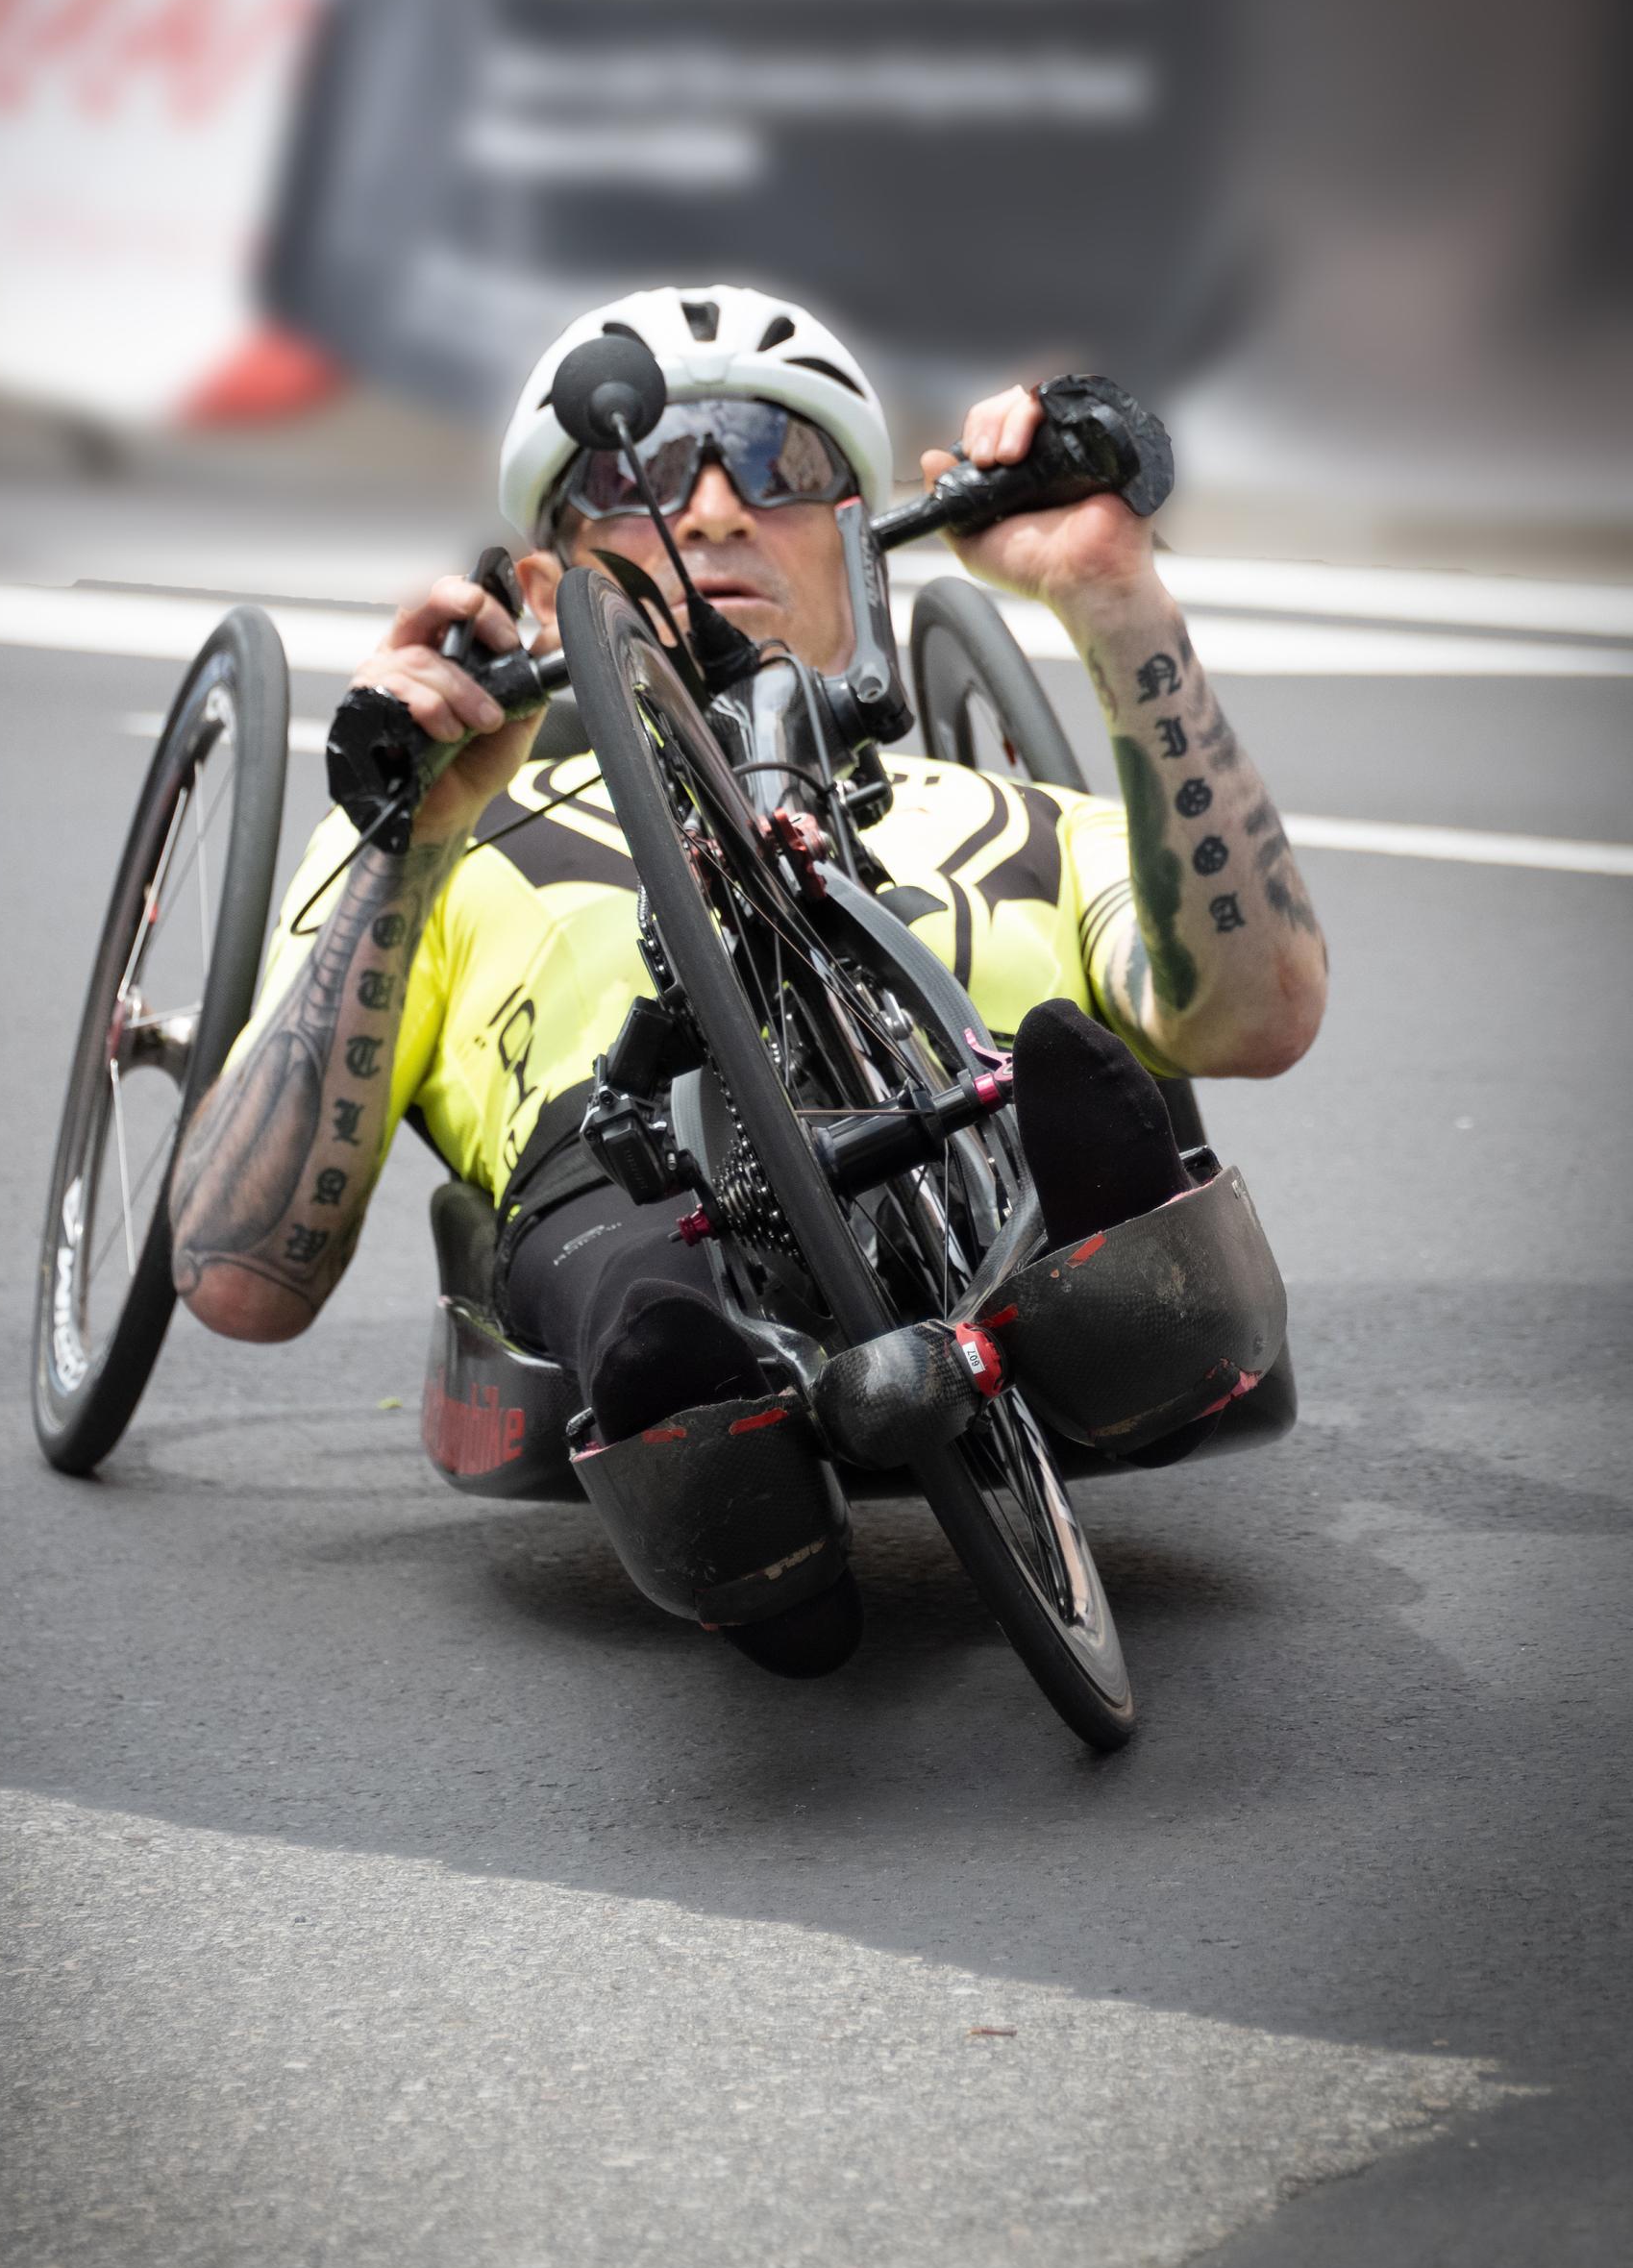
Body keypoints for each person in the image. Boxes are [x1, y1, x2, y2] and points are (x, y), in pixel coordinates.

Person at [168, 285, 1326, 1673]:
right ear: (541, 584)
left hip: (992, 1138)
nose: (714, 509)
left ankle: (1115, 1272)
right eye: (640, 474)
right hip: (631, 1192)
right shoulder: (448, 837)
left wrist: (1114, 595)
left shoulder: (1018, 817)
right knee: (641, 1284)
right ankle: (709, 1442)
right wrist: (407, 833)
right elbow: (242, 1280)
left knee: (1073, 1078)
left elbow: (1261, 1014)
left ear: (860, 538)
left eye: (780, 463)